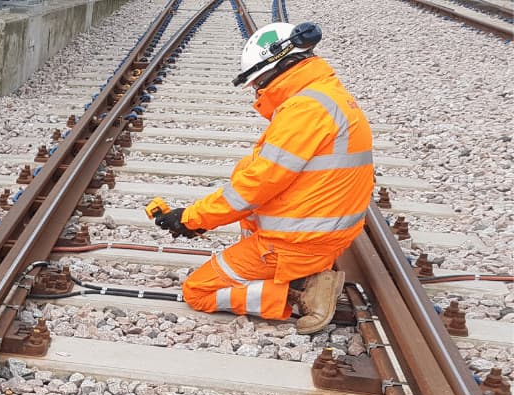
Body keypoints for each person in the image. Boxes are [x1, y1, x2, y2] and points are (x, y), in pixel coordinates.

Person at [152, 22, 374, 334]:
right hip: (319, 234)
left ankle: (299, 292)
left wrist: (192, 219)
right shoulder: (327, 96)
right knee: (248, 184)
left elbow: (254, 187)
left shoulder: (304, 110)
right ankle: (298, 273)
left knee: (197, 291)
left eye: (258, 81)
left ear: (280, 65)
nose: (257, 90)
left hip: (297, 244)